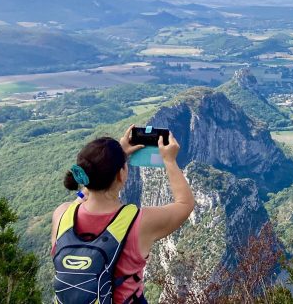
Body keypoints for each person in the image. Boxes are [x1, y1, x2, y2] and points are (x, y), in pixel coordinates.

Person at [51, 126, 195, 304]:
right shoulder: (138, 223)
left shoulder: (62, 214)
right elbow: (185, 204)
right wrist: (170, 161)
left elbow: (84, 195)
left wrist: (114, 160)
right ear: (121, 175)